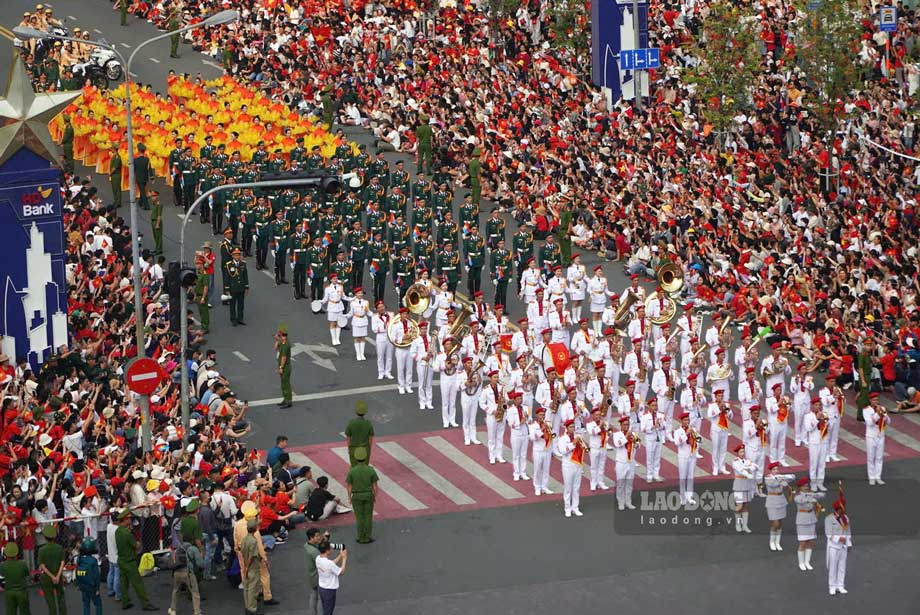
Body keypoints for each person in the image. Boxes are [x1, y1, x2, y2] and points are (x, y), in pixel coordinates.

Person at [115, 509, 156, 610]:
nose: (130, 520)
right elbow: (136, 546)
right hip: (130, 561)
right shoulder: (127, 534)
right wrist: (138, 542)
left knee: (124, 583)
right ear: (125, 519)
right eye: (128, 518)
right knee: (138, 584)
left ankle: (125, 602)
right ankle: (146, 604)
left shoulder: (118, 531)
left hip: (121, 560)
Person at [345, 447, 379, 544]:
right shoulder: (370, 470)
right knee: (368, 517)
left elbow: (349, 486)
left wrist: (349, 497)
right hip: (368, 495)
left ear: (356, 458)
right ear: (365, 457)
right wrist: (374, 496)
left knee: (359, 517)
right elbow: (375, 486)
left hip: (357, 496)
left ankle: (360, 537)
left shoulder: (352, 471)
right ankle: (368, 537)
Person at [169, 527, 203, 615]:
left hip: (176, 572)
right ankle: (197, 612)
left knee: (176, 590)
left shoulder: (177, 549)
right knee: (195, 592)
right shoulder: (192, 549)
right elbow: (200, 563)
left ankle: (172, 610)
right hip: (188, 573)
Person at [763, 462, 795, 552]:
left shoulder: (780, 476)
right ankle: (772, 541)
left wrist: (784, 477)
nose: (776, 471)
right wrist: (781, 480)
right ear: (770, 470)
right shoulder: (768, 478)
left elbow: (793, 476)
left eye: (777, 469)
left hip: (781, 500)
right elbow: (773, 484)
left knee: (780, 523)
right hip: (772, 501)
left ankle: (777, 542)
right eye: (774, 469)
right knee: (775, 523)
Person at [793, 477, 823, 572]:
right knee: (802, 543)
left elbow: (822, 495)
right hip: (802, 520)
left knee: (810, 542)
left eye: (807, 485)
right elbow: (801, 500)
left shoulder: (810, 494)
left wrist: (813, 494)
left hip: (811, 518)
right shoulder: (797, 496)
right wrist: (809, 497)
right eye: (804, 486)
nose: (806, 487)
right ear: (800, 487)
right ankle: (801, 563)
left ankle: (807, 562)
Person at [37, 524, 66, 615]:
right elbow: (62, 563)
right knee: (61, 598)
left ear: (45, 537)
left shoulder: (41, 550)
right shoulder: (59, 548)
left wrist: (52, 577)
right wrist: (57, 576)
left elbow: (42, 566)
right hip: (58, 576)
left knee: (50, 601)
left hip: (46, 578)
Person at [825, 498, 852, 595]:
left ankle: (840, 585)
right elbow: (828, 533)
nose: (844, 509)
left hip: (843, 547)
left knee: (842, 567)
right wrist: (839, 539)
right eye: (842, 508)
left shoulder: (846, 518)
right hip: (834, 547)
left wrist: (849, 544)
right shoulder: (828, 519)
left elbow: (848, 531)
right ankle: (832, 586)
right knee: (833, 567)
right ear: (838, 509)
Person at [863, 392, 890, 484]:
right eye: (874, 400)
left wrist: (884, 416)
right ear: (870, 401)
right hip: (871, 436)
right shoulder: (866, 410)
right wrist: (878, 414)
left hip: (880, 435)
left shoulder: (882, 408)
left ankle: (878, 476)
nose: (876, 401)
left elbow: (889, 421)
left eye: (877, 400)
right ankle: (871, 477)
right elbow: (870, 423)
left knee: (879, 457)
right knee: (871, 457)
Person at [316, 542, 347, 615]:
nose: (332, 549)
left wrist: (340, 555)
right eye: (330, 548)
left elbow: (331, 563)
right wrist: (344, 558)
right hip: (329, 591)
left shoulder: (318, 558)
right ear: (327, 551)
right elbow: (341, 572)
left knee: (326, 609)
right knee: (328, 611)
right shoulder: (329, 564)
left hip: (322, 588)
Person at [0, 542, 30, 615]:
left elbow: (1, 577)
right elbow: (27, 574)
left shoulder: (3, 566)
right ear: (16, 553)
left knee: (10, 612)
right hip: (22, 591)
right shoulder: (22, 564)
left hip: (9, 592)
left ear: (6, 554)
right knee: (25, 611)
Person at [240, 519, 262, 615]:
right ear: (255, 529)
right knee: (253, 589)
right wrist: (247, 567)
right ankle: (252, 609)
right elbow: (252, 556)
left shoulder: (244, 539)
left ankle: (247, 607)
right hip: (252, 567)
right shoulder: (253, 541)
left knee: (247, 588)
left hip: (246, 564)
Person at [225, 247, 249, 326]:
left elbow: (245, 276)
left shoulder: (243, 264)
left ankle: (240, 319)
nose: (237, 256)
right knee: (232, 305)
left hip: (241, 287)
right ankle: (233, 319)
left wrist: (246, 287)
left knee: (241, 304)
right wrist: (227, 289)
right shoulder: (229, 265)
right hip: (233, 288)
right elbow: (227, 278)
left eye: (238, 255)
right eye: (235, 255)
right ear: (232, 256)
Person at [345, 400, 374, 465]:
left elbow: (348, 437)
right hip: (365, 449)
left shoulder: (351, 423)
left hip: (353, 448)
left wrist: (349, 448)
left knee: (354, 467)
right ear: (365, 412)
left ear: (356, 412)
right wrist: (369, 450)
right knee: (364, 467)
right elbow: (370, 438)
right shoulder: (368, 423)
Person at [304, 528, 325, 615]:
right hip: (318, 577)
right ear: (311, 538)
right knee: (322, 598)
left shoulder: (306, 545)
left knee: (313, 595)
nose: (319, 537)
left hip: (311, 576)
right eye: (317, 536)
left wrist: (323, 540)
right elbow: (323, 564)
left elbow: (318, 545)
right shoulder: (314, 552)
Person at [275, 324, 292, 408]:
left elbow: (284, 358)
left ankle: (288, 401)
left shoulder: (285, 345)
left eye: (279, 334)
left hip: (285, 367)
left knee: (286, 384)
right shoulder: (282, 342)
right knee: (283, 384)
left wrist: (281, 367)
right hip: (283, 366)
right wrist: (277, 340)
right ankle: (285, 399)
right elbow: (275, 348)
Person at [133, 142, 152, 210]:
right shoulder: (147, 159)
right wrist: (152, 177)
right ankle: (140, 202)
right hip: (145, 177)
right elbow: (149, 168)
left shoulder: (135, 160)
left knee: (142, 191)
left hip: (139, 177)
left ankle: (146, 205)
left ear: (138, 150)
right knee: (143, 190)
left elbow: (133, 170)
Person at [109, 143, 123, 207]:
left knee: (116, 189)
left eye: (112, 148)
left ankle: (118, 202)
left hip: (116, 175)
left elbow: (114, 167)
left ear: (114, 149)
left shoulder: (117, 157)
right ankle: (116, 200)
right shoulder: (114, 156)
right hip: (114, 175)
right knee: (114, 188)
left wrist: (110, 173)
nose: (111, 149)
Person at [150, 189, 163, 254]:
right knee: (155, 236)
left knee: (158, 236)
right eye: (151, 196)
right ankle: (157, 248)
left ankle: (159, 249)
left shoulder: (159, 204)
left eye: (154, 196)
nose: (152, 197)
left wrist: (157, 224)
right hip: (153, 221)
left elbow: (159, 215)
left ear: (157, 196)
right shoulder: (154, 204)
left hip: (156, 221)